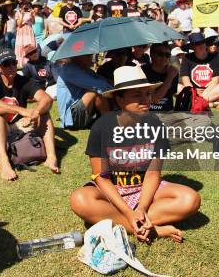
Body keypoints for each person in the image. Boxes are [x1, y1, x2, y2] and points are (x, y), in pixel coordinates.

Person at [69, 65, 200, 244]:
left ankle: (127, 223)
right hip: (113, 190)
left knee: (190, 199)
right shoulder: (102, 127)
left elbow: (153, 173)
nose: (145, 100)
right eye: (137, 95)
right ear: (120, 100)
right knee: (80, 199)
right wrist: (129, 212)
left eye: (147, 94)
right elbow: (101, 177)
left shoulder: (155, 125)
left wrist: (142, 208)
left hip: (144, 189)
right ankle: (150, 229)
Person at [0, 48, 60, 181]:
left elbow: (46, 99)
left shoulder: (24, 81)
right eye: (6, 64)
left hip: (19, 126)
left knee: (44, 113)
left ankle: (51, 157)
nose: (11, 67)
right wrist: (22, 111)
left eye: (13, 63)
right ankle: (4, 162)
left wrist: (35, 112)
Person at [57, 54, 112, 129]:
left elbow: (101, 80)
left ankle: (108, 117)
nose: (92, 58)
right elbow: (97, 85)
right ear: (78, 57)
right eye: (88, 56)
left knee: (98, 89)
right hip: (71, 118)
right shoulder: (69, 69)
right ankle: (109, 120)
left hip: (81, 112)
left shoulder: (84, 70)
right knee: (94, 91)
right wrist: (115, 90)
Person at [180, 33, 219, 106]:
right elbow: (186, 80)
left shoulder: (215, 57)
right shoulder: (187, 58)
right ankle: (211, 103)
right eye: (197, 44)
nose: (200, 45)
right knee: (177, 88)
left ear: (205, 44)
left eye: (202, 43)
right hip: (193, 90)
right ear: (192, 47)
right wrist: (194, 91)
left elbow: (215, 81)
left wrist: (205, 92)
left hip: (211, 90)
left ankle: (196, 102)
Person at [15, 0, 36, 67]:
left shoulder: (30, 12)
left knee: (30, 46)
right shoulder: (18, 13)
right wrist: (22, 14)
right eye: (24, 4)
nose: (26, 5)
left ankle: (31, 61)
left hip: (29, 31)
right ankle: (21, 63)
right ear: (21, 5)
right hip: (21, 32)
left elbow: (33, 22)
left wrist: (32, 15)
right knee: (21, 46)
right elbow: (19, 25)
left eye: (27, 4)